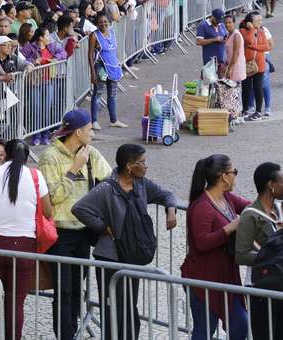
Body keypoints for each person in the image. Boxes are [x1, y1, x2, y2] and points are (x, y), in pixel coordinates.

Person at [72, 144, 178, 340]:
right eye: (142, 163)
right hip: (111, 256)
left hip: (133, 254)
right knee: (112, 305)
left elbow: (166, 195)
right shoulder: (106, 188)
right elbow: (80, 209)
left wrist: (170, 210)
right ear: (129, 166)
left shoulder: (141, 184)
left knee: (130, 304)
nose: (146, 166)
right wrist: (102, 227)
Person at [38, 108, 112, 340]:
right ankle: (65, 335)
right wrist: (74, 169)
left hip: (84, 231)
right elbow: (52, 197)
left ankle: (72, 329)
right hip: (60, 231)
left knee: (76, 287)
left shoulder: (92, 153)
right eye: (89, 129)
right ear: (78, 132)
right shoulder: (50, 157)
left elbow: (110, 182)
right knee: (64, 289)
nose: (92, 133)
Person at [0, 139, 52, 340]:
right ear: (26, 157)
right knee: (16, 301)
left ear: (4, 154)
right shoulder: (35, 176)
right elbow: (48, 211)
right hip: (24, 244)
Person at [181, 154, 249, 340]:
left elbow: (249, 208)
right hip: (204, 279)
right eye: (233, 171)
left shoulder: (226, 197)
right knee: (205, 330)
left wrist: (269, 212)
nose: (235, 175)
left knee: (241, 323)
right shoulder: (202, 206)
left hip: (226, 276)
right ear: (223, 176)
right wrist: (231, 227)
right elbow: (202, 242)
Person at [235, 162, 283, 340]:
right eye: (282, 182)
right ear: (271, 185)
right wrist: (270, 257)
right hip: (260, 286)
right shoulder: (250, 215)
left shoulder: (279, 209)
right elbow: (241, 254)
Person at [88, 14, 126, 129]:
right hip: (101, 68)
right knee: (98, 93)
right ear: (96, 24)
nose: (103, 24)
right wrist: (93, 73)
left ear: (109, 22)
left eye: (105, 22)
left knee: (112, 95)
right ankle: (94, 121)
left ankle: (113, 120)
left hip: (113, 67)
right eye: (100, 22)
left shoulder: (112, 32)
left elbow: (114, 51)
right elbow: (90, 55)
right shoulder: (94, 36)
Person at [240, 12, 270, 121]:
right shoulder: (243, 31)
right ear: (250, 22)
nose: (260, 23)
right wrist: (252, 29)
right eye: (258, 21)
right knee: (246, 88)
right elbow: (249, 40)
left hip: (260, 64)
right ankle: (245, 110)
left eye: (261, 20)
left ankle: (258, 111)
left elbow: (266, 46)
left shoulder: (261, 31)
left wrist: (254, 47)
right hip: (247, 65)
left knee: (258, 87)